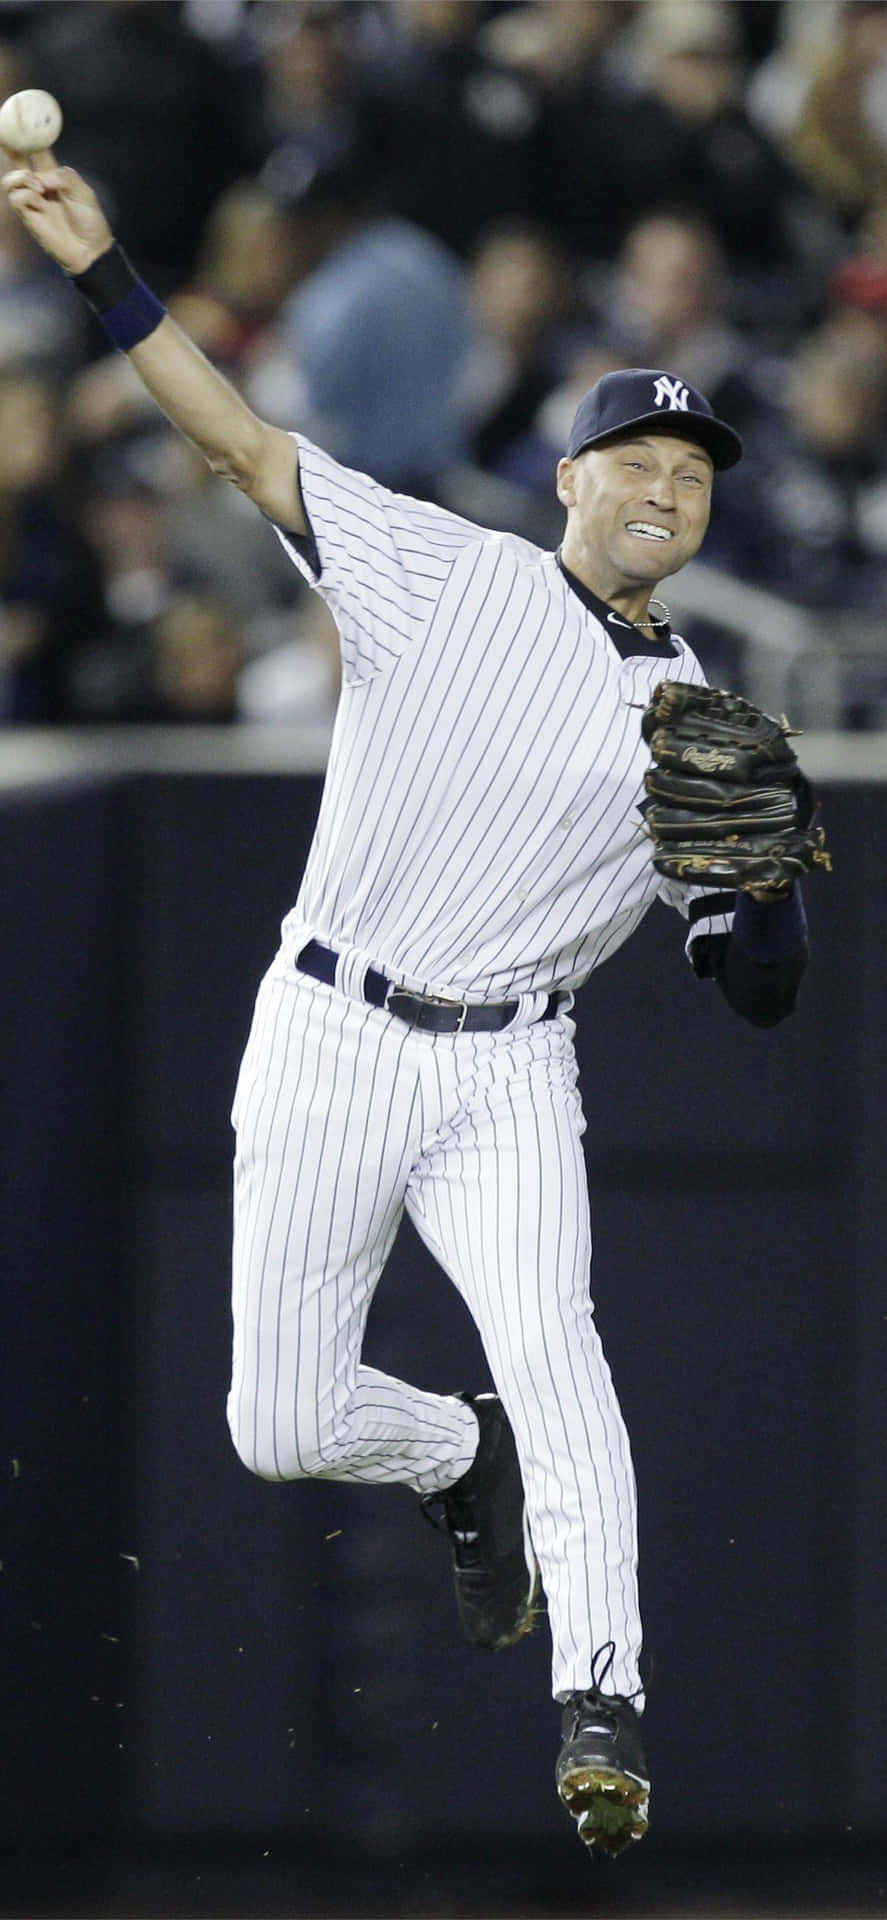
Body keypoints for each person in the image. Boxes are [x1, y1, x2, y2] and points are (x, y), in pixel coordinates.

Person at [3, 153, 812, 1857]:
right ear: (573, 474)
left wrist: (762, 903)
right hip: (327, 1025)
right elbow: (234, 440)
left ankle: (605, 1702)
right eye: (641, 457)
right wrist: (102, 269)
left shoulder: (699, 718)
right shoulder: (440, 569)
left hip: (512, 1069)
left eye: (696, 469)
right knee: (279, 1424)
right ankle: (460, 1456)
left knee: (568, 1355)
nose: (670, 486)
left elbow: (749, 985)